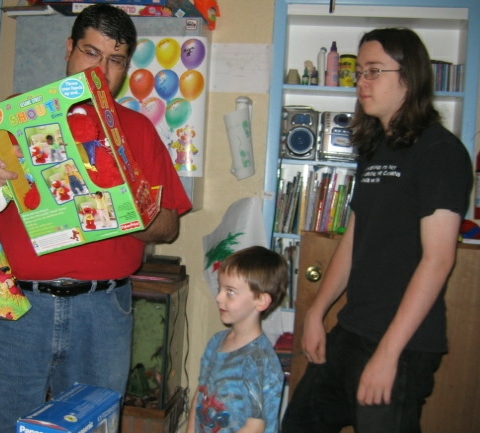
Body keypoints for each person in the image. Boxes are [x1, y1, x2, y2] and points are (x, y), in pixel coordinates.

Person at [0, 5, 192, 432]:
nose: (101, 71)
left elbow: (169, 227)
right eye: (90, 53)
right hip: (14, 306)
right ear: (69, 49)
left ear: (126, 66)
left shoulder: (138, 130)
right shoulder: (12, 118)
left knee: (92, 426)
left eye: (115, 60)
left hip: (101, 311)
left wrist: (130, 209)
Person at [282, 28, 473, 433]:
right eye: (359, 73)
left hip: (403, 344)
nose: (361, 82)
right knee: (299, 422)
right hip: (353, 328)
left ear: (409, 77)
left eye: (373, 71)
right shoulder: (376, 149)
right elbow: (354, 239)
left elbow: (438, 260)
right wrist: (317, 311)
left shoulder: (441, 152)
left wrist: (388, 353)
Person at [187, 246, 287, 433]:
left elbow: (255, 427)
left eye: (230, 291)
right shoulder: (216, 342)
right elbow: (201, 394)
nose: (218, 297)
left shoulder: (258, 360)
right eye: (220, 288)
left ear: (261, 301)